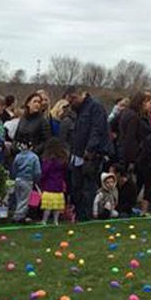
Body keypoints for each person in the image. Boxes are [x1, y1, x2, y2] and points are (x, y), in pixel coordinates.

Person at [66, 85, 113, 221]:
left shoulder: (94, 107)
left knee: (88, 186)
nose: (71, 103)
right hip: (77, 154)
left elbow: (97, 130)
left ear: (82, 95)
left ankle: (86, 215)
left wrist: (90, 149)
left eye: (73, 99)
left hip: (90, 155)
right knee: (77, 187)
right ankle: (79, 214)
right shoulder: (79, 111)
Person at [40, 138, 68, 225]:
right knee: (57, 207)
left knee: (48, 207)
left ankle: (44, 220)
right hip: (58, 186)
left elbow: (45, 171)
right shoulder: (62, 161)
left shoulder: (48, 161)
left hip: (49, 186)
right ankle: (56, 221)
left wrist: (41, 180)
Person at [11, 142, 41, 223]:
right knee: (25, 199)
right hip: (27, 180)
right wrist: (36, 180)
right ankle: (19, 216)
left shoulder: (18, 156)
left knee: (18, 198)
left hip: (18, 179)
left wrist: (14, 177)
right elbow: (37, 171)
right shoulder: (34, 157)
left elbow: (14, 168)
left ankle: (18, 214)